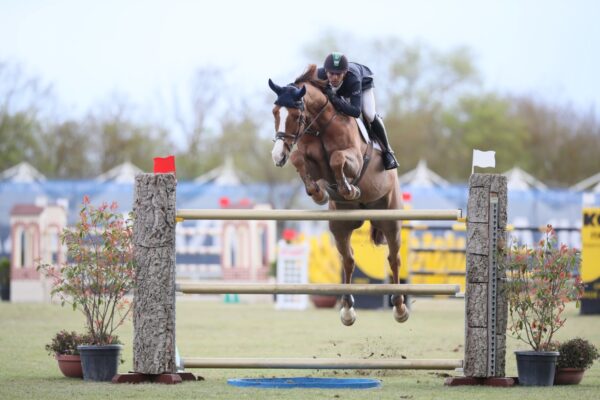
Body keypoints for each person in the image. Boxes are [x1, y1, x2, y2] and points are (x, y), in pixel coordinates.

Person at [317, 52, 399, 170]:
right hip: (342, 89)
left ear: (344, 73)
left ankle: (388, 151)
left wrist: (334, 99)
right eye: (331, 74)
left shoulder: (353, 79)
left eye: (338, 74)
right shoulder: (319, 74)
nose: (334, 78)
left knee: (369, 114)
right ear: (325, 71)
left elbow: (356, 111)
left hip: (363, 82)